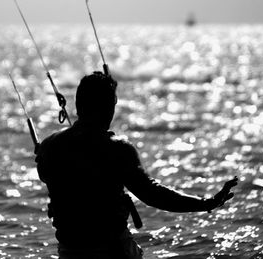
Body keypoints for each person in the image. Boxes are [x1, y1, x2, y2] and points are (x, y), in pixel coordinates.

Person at [35, 71, 238, 259]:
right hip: (113, 251)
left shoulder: (49, 147)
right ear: (108, 107)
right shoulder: (118, 148)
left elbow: (47, 175)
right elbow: (152, 194)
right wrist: (205, 203)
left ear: (78, 105)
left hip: (70, 252)